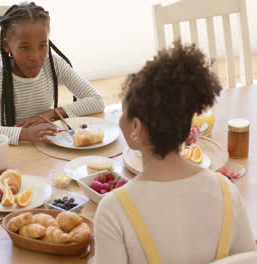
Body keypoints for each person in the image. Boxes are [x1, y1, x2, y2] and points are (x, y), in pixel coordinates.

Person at [90, 42, 256, 264]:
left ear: (136, 127)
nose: (119, 120)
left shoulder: (114, 209)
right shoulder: (226, 190)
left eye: (123, 113)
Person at [0, 2, 105, 145]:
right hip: (9, 152)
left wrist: (51, 114)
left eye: (42, 46)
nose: (35, 56)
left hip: (45, 148)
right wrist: (25, 134)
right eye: (25, 48)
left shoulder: (54, 65)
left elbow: (96, 101)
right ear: (7, 45)